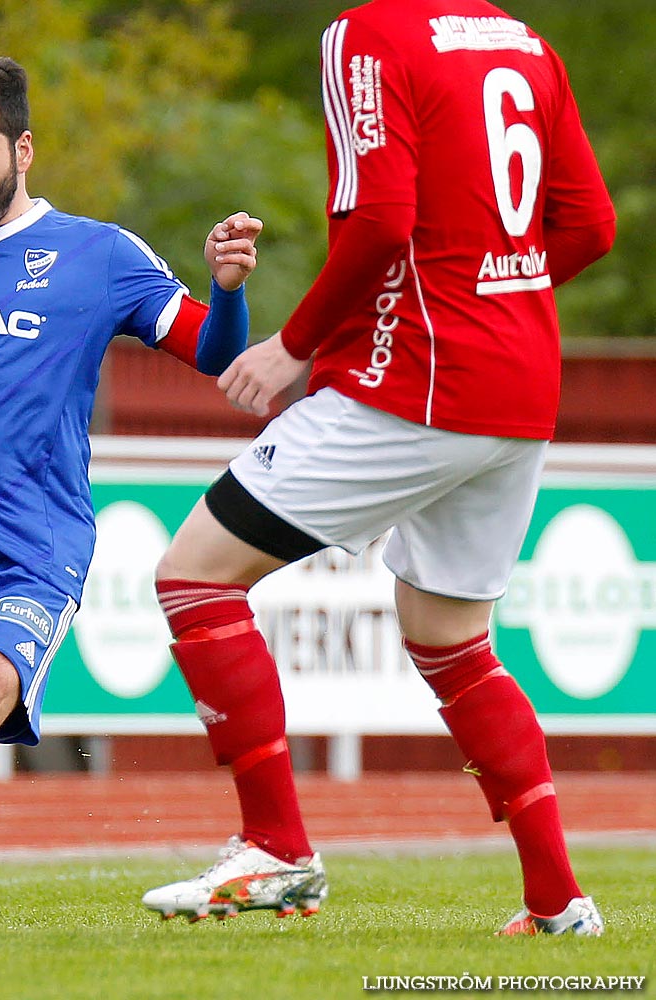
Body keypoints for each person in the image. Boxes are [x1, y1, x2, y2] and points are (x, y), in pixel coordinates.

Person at [141, 0, 615, 935]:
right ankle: (559, 903)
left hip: (421, 379)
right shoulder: (523, 39)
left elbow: (383, 219)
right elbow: (590, 224)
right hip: (519, 384)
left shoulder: (367, 33)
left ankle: (275, 849)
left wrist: (294, 344)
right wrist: (491, 296)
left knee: (193, 574)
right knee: (452, 642)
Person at [0, 54, 263, 934]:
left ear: (23, 149)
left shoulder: (99, 254)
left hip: (35, 546)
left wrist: (226, 292)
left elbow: (212, 355)